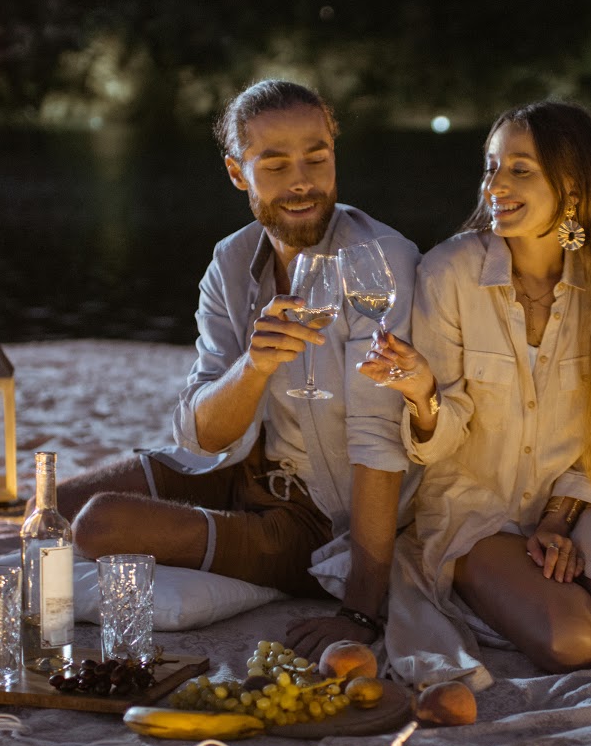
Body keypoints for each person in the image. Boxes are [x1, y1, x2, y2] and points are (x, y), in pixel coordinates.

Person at [364, 100, 591, 689]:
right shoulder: (450, 272)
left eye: (520, 169)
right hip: (474, 511)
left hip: (577, 500)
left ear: (573, 186)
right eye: (490, 166)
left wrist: (559, 520)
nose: (495, 185)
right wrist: (423, 395)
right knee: (573, 642)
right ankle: (528, 590)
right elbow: (439, 446)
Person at [62, 80, 419, 659]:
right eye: (274, 164)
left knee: (100, 524)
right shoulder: (231, 262)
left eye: (317, 157)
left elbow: (380, 442)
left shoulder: (380, 264)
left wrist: (361, 606)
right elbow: (202, 434)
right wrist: (255, 366)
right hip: (241, 467)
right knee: (52, 505)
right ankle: (217, 528)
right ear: (237, 173)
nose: (301, 180)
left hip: (316, 515)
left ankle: (237, 545)